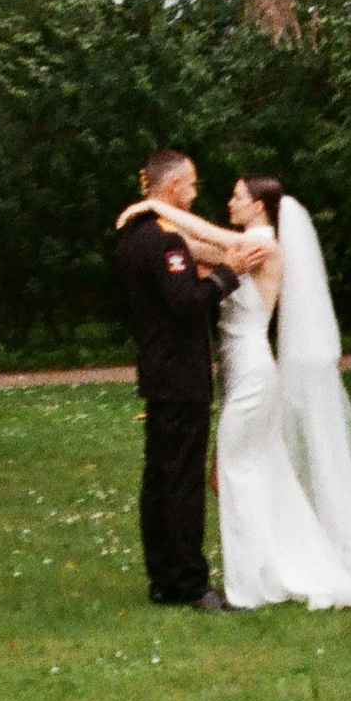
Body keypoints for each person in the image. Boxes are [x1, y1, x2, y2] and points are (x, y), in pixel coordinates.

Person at [144, 175, 351, 611]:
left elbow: (210, 239)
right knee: (242, 472)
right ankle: (274, 561)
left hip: (252, 373)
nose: (230, 202)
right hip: (237, 372)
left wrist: (156, 207)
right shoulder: (243, 247)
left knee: (234, 472)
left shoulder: (262, 245)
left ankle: (251, 581)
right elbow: (194, 247)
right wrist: (158, 229)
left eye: (238, 196)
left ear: (259, 206)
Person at [114, 149, 267, 608]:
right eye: (193, 184)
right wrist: (228, 274)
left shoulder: (133, 234)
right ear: (173, 186)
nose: (197, 193)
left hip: (157, 369)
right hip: (181, 373)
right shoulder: (165, 241)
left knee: (159, 477)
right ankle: (190, 583)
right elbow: (186, 303)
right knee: (181, 480)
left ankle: (162, 577)